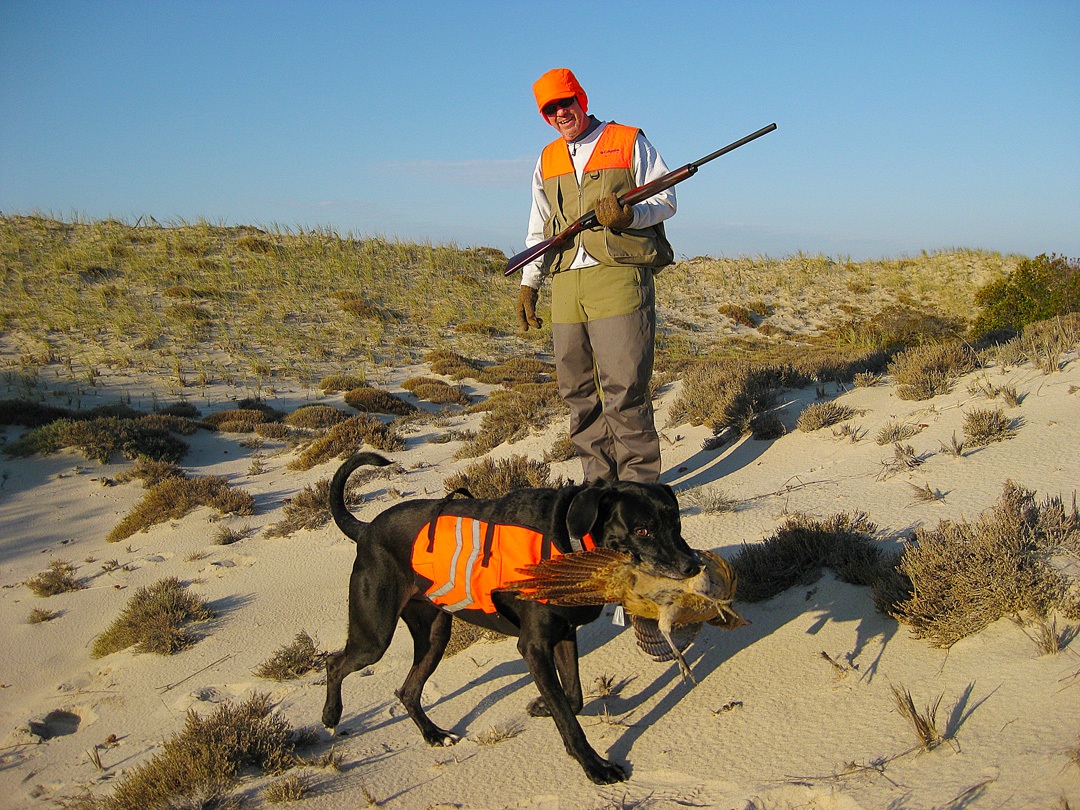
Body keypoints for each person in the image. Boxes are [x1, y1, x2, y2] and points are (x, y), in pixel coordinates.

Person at [516, 67, 676, 484]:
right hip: (567, 282)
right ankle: (599, 485)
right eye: (550, 109)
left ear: (580, 99)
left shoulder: (627, 140)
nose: (560, 113)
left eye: (565, 103)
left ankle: (639, 489)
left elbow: (666, 197)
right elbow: (539, 228)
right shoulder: (546, 159)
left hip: (619, 276)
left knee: (624, 389)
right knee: (577, 393)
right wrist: (529, 284)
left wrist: (631, 215)